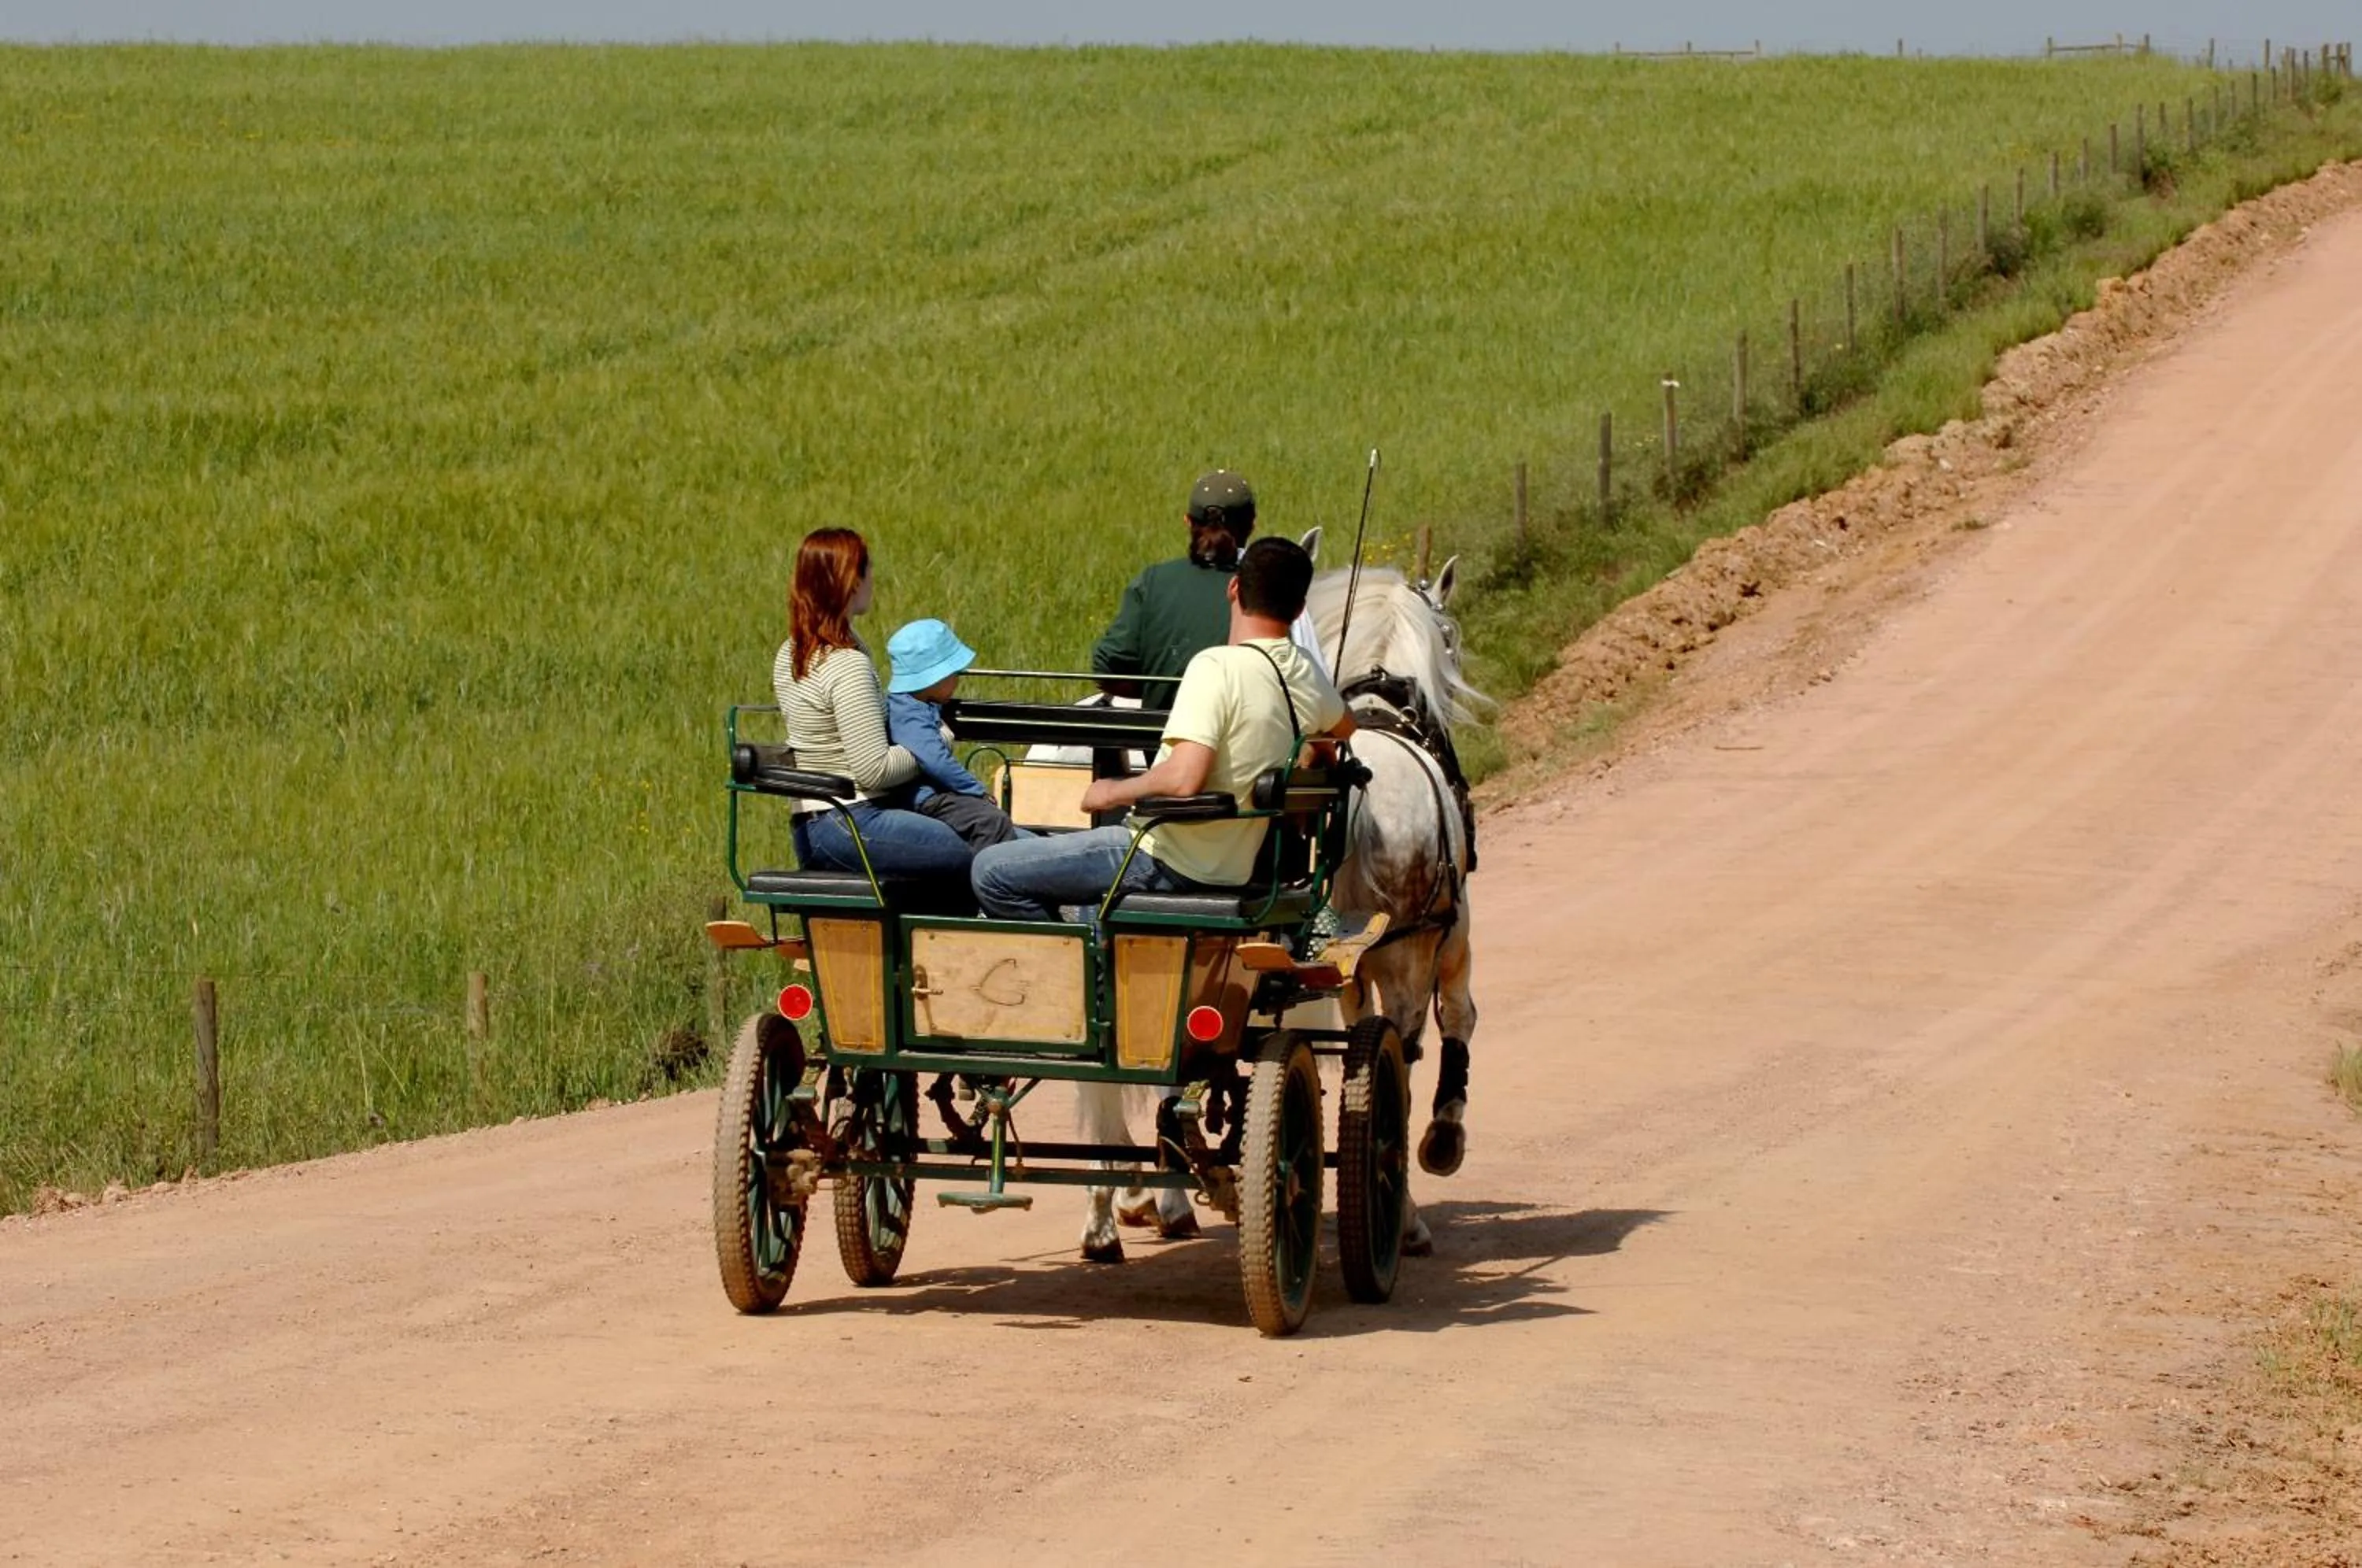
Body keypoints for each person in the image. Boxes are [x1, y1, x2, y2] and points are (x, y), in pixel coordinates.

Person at [973, 537, 1353, 923]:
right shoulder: (1305, 673)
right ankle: (1094, 957)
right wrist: (1314, 756)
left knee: (990, 871)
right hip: (1234, 866)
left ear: (1234, 587)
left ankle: (1076, 978)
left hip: (1162, 856)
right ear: (1300, 608)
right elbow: (1344, 728)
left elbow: (1184, 779)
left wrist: (1111, 792)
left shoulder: (1216, 667)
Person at [772, 529, 972, 880]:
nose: (873, 580)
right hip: (852, 820)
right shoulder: (847, 663)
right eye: (869, 570)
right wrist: (938, 738)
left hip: (815, 825)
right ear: (852, 580)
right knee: (989, 841)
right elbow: (873, 771)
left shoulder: (791, 651)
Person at [883, 617, 1027, 852]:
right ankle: (989, 882)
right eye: (955, 674)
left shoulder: (919, 703)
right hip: (926, 799)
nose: (958, 681)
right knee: (991, 822)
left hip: (934, 795)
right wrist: (976, 790)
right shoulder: (909, 716)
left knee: (995, 820)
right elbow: (936, 761)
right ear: (935, 678)